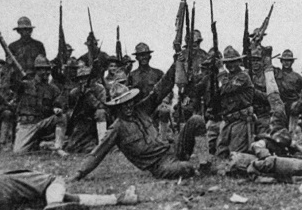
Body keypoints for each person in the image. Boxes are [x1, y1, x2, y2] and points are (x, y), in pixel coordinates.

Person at [0, 66, 137, 210]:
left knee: (48, 192)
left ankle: (117, 198)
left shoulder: (59, 88)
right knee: (53, 181)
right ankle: (55, 206)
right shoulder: (30, 85)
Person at [72, 52, 208, 181]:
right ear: (117, 107)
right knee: (186, 167)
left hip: (173, 150)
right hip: (159, 165)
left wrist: (175, 63)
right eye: (124, 105)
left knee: (197, 120)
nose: (129, 106)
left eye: (129, 102)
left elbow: (161, 88)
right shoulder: (117, 129)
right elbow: (97, 153)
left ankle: (204, 165)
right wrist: (79, 173)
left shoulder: (142, 109)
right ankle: (189, 168)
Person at [12, 56, 67, 155]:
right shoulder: (25, 85)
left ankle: (58, 147)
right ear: (36, 70)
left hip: (42, 124)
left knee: (61, 117)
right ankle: (43, 145)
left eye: (48, 69)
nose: (46, 72)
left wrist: (57, 108)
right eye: (43, 69)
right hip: (26, 125)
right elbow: (12, 83)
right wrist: (10, 66)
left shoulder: (53, 89)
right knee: (18, 152)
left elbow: (58, 103)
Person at [215, 46, 256, 158]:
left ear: (239, 62)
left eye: (233, 62)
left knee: (236, 155)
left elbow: (228, 88)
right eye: (227, 63)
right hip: (228, 120)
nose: (230, 65)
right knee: (220, 153)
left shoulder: (243, 76)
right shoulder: (227, 77)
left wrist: (221, 71)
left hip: (240, 121)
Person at [64, 65, 108, 153]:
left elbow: (101, 107)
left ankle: (102, 144)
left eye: (86, 78)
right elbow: (69, 109)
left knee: (100, 113)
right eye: (80, 79)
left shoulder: (99, 89)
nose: (82, 81)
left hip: (97, 120)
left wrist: (89, 95)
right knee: (72, 147)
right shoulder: (74, 92)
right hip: (82, 122)